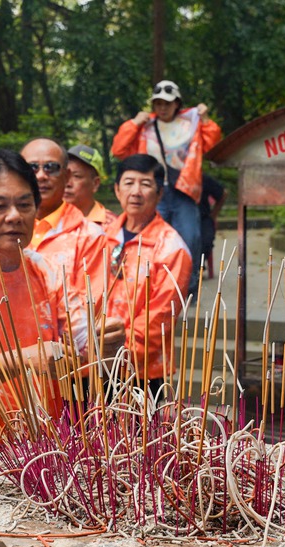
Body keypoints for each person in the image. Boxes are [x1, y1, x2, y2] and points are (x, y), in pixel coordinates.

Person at [0, 150, 124, 455]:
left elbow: (81, 341)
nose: (15, 216)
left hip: (43, 452)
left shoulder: (45, 271)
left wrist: (104, 340)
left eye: (25, 205)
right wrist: (23, 360)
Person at [112, 80, 221, 296]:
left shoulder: (191, 123)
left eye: (167, 103)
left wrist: (206, 119)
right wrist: (134, 122)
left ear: (177, 104)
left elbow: (212, 144)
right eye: (158, 103)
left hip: (184, 190)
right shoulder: (146, 126)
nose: (163, 108)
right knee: (146, 235)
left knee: (190, 237)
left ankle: (187, 289)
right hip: (152, 190)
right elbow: (119, 149)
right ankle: (144, 284)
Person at [104, 154, 192, 394]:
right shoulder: (102, 236)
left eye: (145, 184)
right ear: (116, 190)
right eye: (129, 183)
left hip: (141, 370)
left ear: (159, 193)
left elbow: (161, 315)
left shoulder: (172, 247)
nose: (135, 192)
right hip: (94, 362)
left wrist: (118, 354)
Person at [20, 138, 108, 351]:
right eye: (32, 168)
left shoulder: (89, 236)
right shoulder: (6, 229)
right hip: (8, 363)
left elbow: (88, 315)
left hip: (66, 366)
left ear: (66, 176)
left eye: (51, 167)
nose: (41, 175)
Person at [64, 144, 118, 229]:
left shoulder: (113, 226)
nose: (67, 183)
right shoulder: (47, 220)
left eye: (77, 176)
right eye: (64, 175)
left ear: (95, 184)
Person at [199, 175, 227, 279]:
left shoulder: (203, 178)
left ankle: (198, 267)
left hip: (203, 218)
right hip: (183, 219)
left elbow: (223, 194)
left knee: (206, 239)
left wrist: (213, 215)